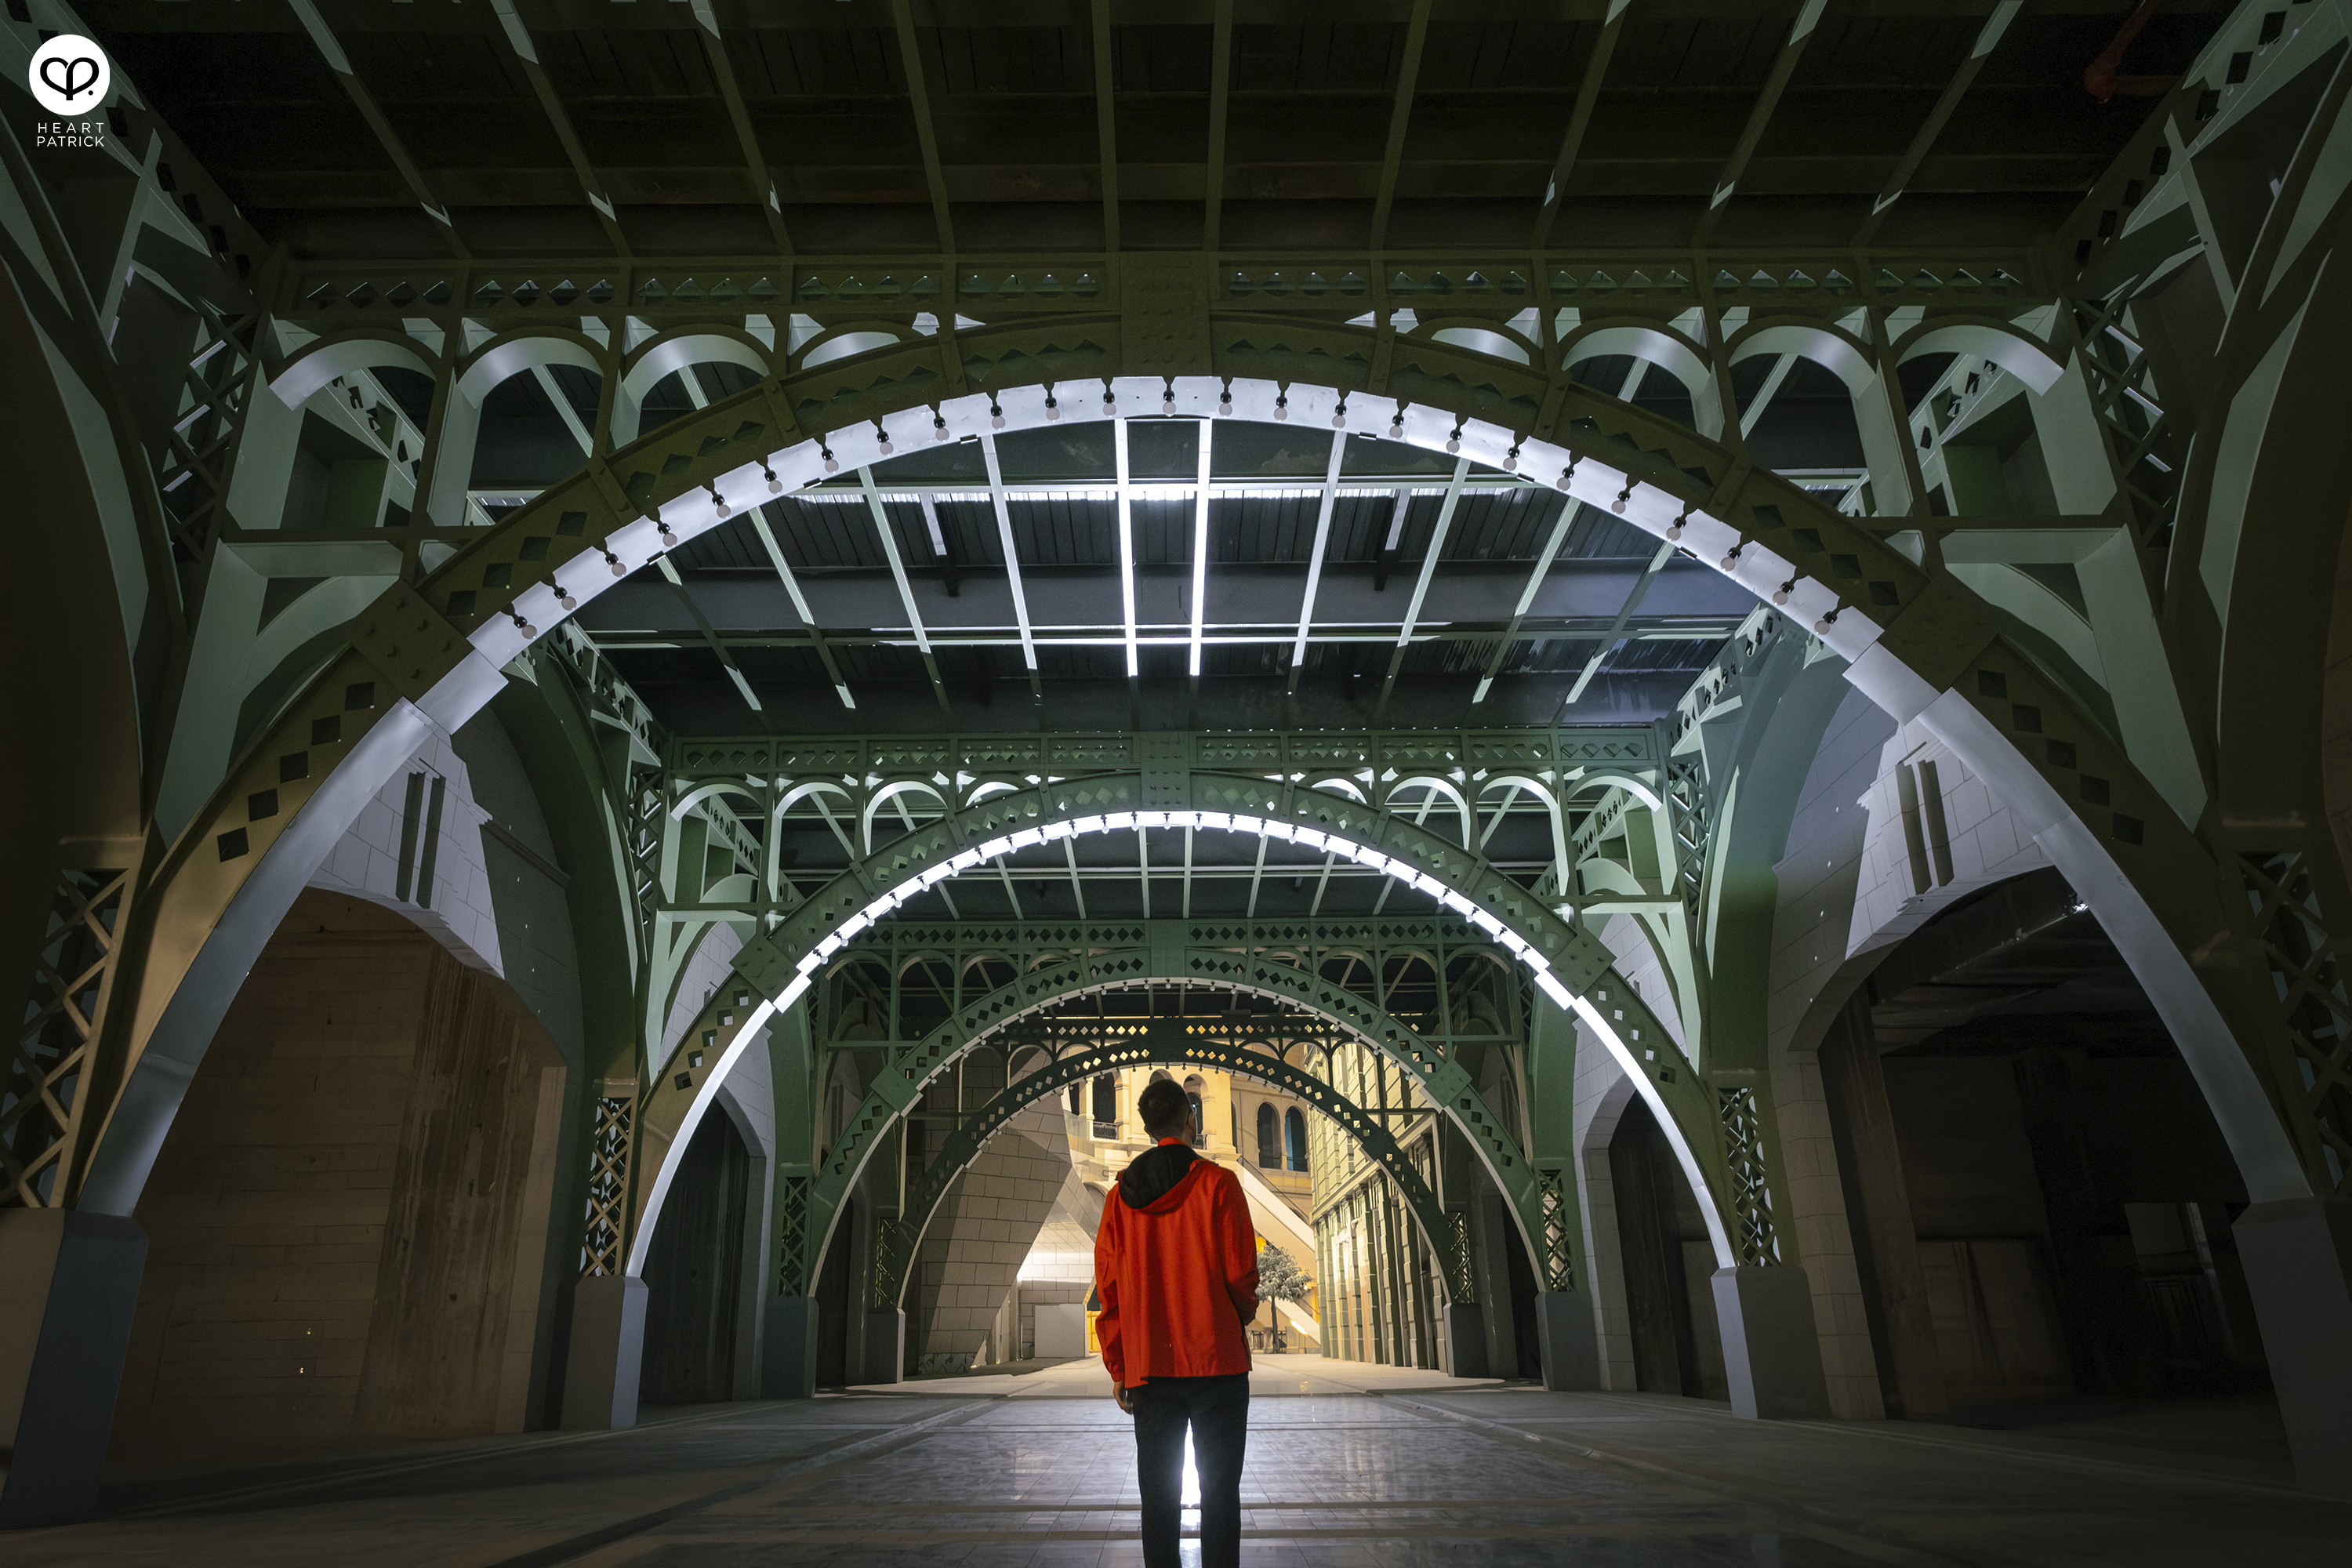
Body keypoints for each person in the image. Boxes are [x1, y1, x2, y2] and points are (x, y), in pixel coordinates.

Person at [1094, 1076, 1259, 1568]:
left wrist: (1119, 1363)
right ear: (1191, 1118)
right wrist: (1236, 1316)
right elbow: (1242, 1273)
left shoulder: (1118, 1198)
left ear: (1147, 1127)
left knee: (1159, 1499)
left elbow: (1110, 1290)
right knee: (1221, 1495)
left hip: (1150, 1369)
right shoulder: (1218, 1183)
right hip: (1218, 1364)